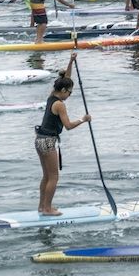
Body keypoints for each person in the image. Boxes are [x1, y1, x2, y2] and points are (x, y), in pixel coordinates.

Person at [36, 53, 92, 216]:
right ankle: (47, 209)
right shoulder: (60, 104)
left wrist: (71, 62)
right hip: (48, 141)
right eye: (70, 92)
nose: (70, 95)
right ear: (63, 91)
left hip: (39, 139)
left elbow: (65, 79)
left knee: (46, 176)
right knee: (54, 177)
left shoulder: (51, 96)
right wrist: (83, 119)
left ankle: (42, 206)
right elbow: (67, 126)